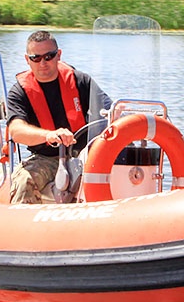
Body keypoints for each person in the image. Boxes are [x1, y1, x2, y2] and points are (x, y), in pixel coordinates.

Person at [6, 30, 111, 203]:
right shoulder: (19, 92)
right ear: (27, 60)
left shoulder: (81, 81)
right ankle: (24, 226)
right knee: (24, 180)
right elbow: (16, 130)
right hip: (46, 159)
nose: (43, 63)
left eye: (49, 56)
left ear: (58, 55)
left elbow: (109, 112)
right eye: (36, 58)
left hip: (85, 155)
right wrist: (49, 135)